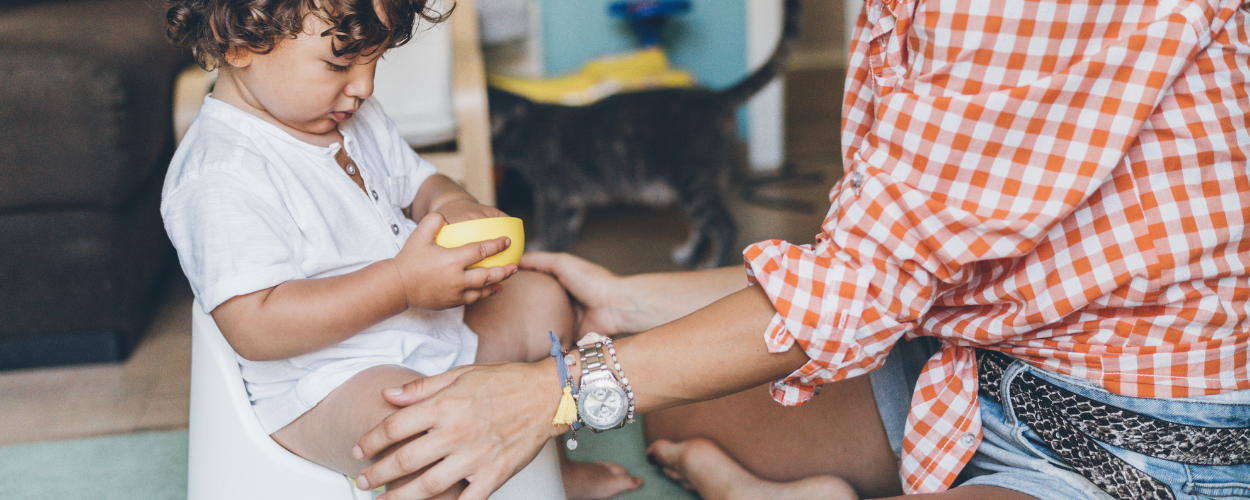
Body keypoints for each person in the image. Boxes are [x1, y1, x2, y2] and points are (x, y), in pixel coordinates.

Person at [346, 0, 1250, 497]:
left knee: (651, 385)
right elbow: (896, 250)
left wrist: (549, 395)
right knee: (681, 412)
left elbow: (862, 278)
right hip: (975, 361)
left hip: (1137, 436)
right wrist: (633, 302)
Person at [159, 0, 641, 497]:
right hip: (329, 385)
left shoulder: (354, 117)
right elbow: (256, 327)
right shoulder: (220, 174)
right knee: (426, 441)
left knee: (544, 301)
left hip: (427, 331)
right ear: (238, 42)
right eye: (340, 64)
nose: (364, 87)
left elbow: (420, 184)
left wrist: (453, 203)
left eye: (375, 60)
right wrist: (401, 284)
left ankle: (552, 471)